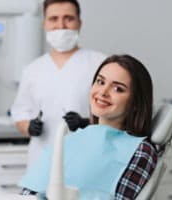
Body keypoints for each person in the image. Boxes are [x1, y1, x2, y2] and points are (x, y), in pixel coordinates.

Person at [19, 54, 160, 199]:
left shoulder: (140, 152)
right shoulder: (70, 141)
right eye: (100, 82)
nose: (103, 92)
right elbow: (29, 192)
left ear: (136, 103)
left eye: (118, 89)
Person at [11, 0, 106, 166]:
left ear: (79, 23)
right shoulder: (32, 70)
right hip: (41, 161)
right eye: (53, 19)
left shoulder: (100, 63)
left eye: (68, 18)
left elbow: (117, 115)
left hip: (86, 160)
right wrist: (29, 127)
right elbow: (20, 113)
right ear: (44, 24)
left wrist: (87, 123)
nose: (61, 25)